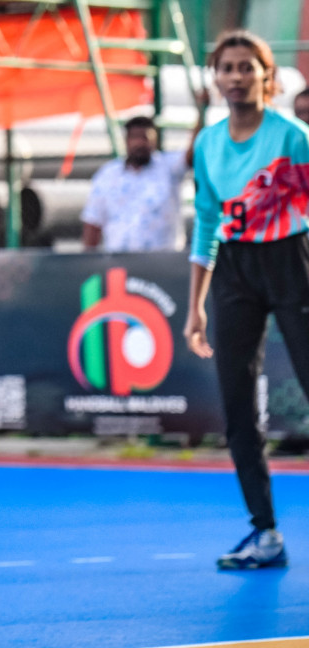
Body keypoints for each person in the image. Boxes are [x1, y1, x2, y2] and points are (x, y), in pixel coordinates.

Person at [184, 30, 309, 570]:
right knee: (237, 408)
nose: (235, 77)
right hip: (234, 272)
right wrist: (195, 306)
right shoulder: (208, 144)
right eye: (226, 68)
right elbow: (207, 225)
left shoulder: (293, 137)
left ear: (266, 76)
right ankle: (265, 534)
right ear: (215, 78)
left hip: (291, 262)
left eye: (246, 67)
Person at [80, 117, 189, 252]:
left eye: (145, 138)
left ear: (154, 141)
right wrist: (87, 263)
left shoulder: (168, 167)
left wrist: (201, 111)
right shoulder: (108, 174)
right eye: (135, 137)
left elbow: (192, 154)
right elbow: (93, 220)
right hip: (119, 261)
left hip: (162, 262)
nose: (139, 143)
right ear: (126, 141)